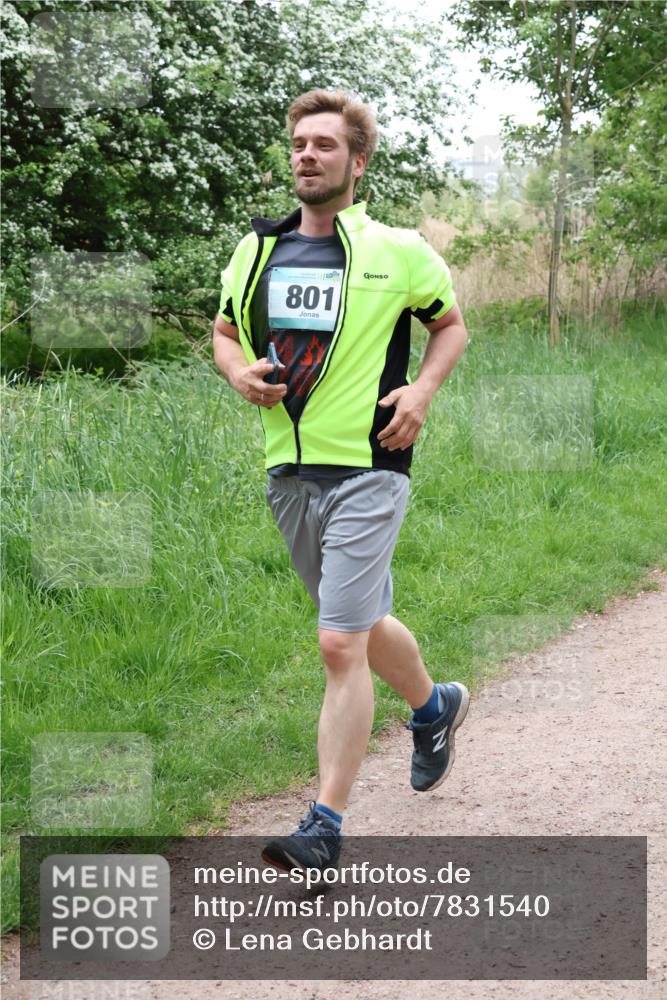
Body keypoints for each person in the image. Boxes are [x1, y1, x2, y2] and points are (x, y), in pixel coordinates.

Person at [212, 89, 470, 873]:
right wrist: (238, 376)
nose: (306, 154)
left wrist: (420, 393)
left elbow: (448, 325)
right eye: (298, 142)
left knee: (335, 642)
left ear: (357, 163)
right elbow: (223, 333)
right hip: (288, 471)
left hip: (370, 464)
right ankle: (433, 707)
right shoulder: (256, 251)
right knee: (354, 619)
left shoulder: (398, 251)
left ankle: (324, 825)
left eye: (324, 144)